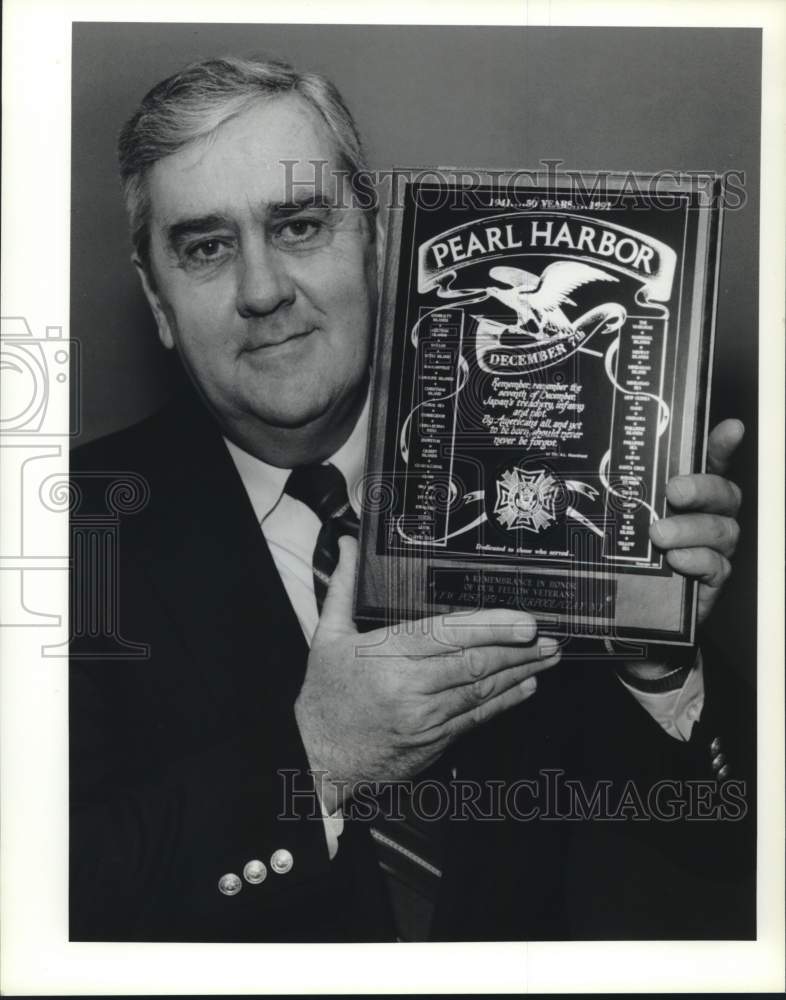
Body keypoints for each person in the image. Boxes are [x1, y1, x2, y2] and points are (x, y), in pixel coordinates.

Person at [69, 55, 754, 943]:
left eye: (301, 226)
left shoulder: (548, 471)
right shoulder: (64, 531)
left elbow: (718, 859)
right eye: (205, 248)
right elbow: (50, 893)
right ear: (158, 299)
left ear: (379, 241)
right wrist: (319, 759)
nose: (263, 290)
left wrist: (656, 663)